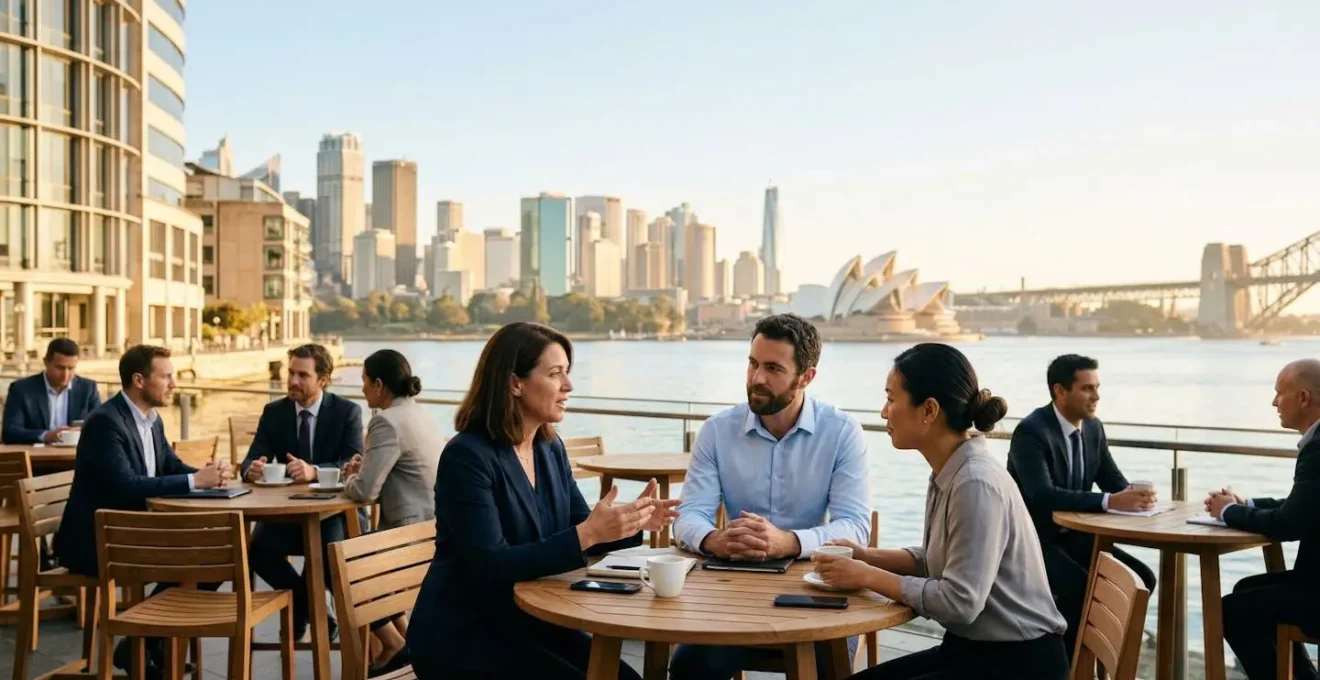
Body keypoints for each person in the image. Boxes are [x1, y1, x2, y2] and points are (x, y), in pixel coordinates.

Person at [406, 322, 679, 680]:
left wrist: (631, 520)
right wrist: (587, 534)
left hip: (533, 622)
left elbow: (581, 524)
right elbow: (491, 564)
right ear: (514, 382)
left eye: (567, 373)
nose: (568, 386)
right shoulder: (467, 457)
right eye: (555, 374)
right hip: (467, 632)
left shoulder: (549, 448)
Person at [813, 343, 1067, 679]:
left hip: (1017, 664)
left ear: (929, 410)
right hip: (971, 651)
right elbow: (939, 560)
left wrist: (866, 575)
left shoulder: (975, 483)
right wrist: (865, 556)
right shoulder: (951, 471)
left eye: (891, 399)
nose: (883, 412)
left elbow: (960, 602)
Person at [668, 313, 870, 680]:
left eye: (773, 368)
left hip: (814, 593)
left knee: (830, 664)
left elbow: (855, 527)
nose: (757, 378)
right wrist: (714, 539)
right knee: (689, 668)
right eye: (752, 364)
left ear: (806, 376)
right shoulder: (716, 431)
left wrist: (788, 542)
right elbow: (688, 516)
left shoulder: (841, 432)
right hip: (730, 596)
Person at [53, 345, 232, 678]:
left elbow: (169, 464)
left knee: (218, 553)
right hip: (98, 542)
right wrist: (195, 480)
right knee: (208, 556)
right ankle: (146, 642)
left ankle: (143, 644)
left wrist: (211, 478)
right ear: (139, 380)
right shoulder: (105, 423)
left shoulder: (151, 419)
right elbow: (125, 486)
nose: (174, 384)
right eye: (166, 376)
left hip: (133, 533)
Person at [1006, 354, 1158, 655]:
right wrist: (1111, 501)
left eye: (1097, 387)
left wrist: (1139, 497)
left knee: (1143, 579)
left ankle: (1098, 656)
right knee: (1080, 587)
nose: (1096, 396)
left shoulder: (1093, 428)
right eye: (1087, 388)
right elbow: (1042, 495)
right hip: (1034, 542)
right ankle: (1069, 665)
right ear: (1059, 391)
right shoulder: (1031, 432)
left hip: (1076, 538)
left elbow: (1112, 480)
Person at [1206, 359, 1320, 680]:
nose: (1273, 403)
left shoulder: (1318, 448)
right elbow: (1306, 505)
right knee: (1246, 589)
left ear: (1303, 398)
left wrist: (1228, 512)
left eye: (1278, 393)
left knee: (1229, 612)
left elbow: (1289, 525)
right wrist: (1245, 504)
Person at [240, 343, 363, 641]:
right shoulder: (274, 412)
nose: (293, 381)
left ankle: (319, 617)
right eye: (291, 373)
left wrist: (315, 471)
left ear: (323, 379)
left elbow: (353, 460)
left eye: (302, 375)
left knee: (330, 557)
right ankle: (306, 605)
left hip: (334, 514)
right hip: (285, 516)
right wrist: (251, 469)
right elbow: (250, 458)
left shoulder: (347, 412)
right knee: (255, 552)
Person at [341, 349, 442, 674]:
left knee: (339, 567)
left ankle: (392, 642)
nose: (362, 390)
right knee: (356, 562)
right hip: (433, 528)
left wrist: (348, 478)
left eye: (365, 382)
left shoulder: (385, 421)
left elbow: (365, 491)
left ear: (380, 385)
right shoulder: (420, 413)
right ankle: (404, 639)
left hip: (406, 538)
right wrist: (366, 468)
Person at [3, 338, 102, 444]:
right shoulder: (21, 389)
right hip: (36, 457)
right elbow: (10, 432)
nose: (65, 375)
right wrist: (46, 436)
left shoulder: (87, 389)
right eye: (60, 368)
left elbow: (102, 428)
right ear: (46, 362)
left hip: (76, 457)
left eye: (71, 368)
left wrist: (83, 432)